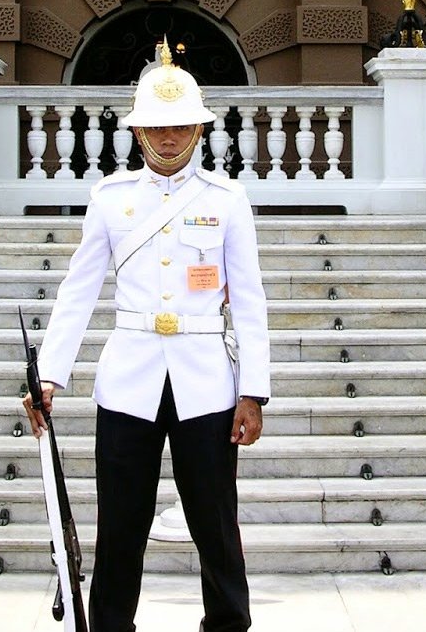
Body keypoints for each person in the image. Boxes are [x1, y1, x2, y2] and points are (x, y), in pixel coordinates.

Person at [24, 42, 271, 632]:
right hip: (129, 381)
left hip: (207, 382)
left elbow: (252, 300)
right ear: (138, 133)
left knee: (215, 525)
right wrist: (49, 375)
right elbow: (78, 290)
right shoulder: (111, 199)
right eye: (155, 127)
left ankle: (229, 625)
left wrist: (253, 392)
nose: (167, 138)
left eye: (179, 125)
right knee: (121, 527)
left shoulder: (227, 201)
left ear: (198, 128)